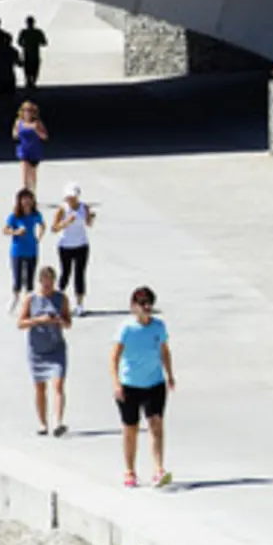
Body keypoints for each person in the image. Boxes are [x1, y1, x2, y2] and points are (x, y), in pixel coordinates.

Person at [110, 286, 174, 487]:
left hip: (154, 382)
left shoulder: (158, 327)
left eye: (149, 304)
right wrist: (116, 383)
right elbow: (114, 357)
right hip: (130, 384)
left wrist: (170, 374)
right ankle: (130, 471)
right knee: (131, 428)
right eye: (142, 304)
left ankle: (158, 469)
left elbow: (164, 351)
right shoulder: (126, 328)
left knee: (156, 424)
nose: (146, 308)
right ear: (133, 306)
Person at [15, 264, 71, 436]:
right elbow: (20, 323)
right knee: (40, 387)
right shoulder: (31, 299)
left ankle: (58, 422)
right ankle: (42, 423)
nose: (48, 287)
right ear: (40, 282)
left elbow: (68, 323)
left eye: (51, 283)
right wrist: (39, 320)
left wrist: (59, 321)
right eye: (45, 284)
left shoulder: (61, 298)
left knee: (58, 384)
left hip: (56, 348)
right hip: (37, 350)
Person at [50, 184, 96, 316]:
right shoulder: (62, 209)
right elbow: (54, 228)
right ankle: (57, 302)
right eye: (69, 197)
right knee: (65, 273)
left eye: (74, 197)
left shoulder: (84, 207)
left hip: (81, 244)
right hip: (65, 246)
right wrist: (66, 223)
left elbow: (88, 224)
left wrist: (90, 218)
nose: (71, 199)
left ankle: (80, 304)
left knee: (80, 274)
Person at [3, 188, 44, 312]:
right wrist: (15, 232)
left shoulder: (35, 215)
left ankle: (29, 303)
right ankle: (15, 298)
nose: (26, 202)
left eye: (29, 199)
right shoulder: (15, 216)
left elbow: (42, 224)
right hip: (18, 251)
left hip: (32, 250)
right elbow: (5, 230)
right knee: (18, 278)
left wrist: (39, 237)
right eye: (24, 199)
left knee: (30, 279)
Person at [11, 100, 48, 195]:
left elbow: (45, 136)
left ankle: (32, 193)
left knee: (32, 174)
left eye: (30, 110)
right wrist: (17, 133)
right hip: (23, 151)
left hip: (34, 151)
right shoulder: (19, 122)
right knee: (24, 174)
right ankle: (25, 194)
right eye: (25, 110)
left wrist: (37, 131)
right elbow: (14, 134)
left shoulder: (37, 123)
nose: (27, 112)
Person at [16, 15, 48, 92]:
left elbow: (19, 42)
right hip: (34, 53)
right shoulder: (37, 32)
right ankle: (32, 82)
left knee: (28, 68)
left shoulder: (24, 32)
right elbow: (44, 42)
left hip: (27, 53)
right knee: (34, 68)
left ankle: (29, 82)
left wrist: (26, 44)